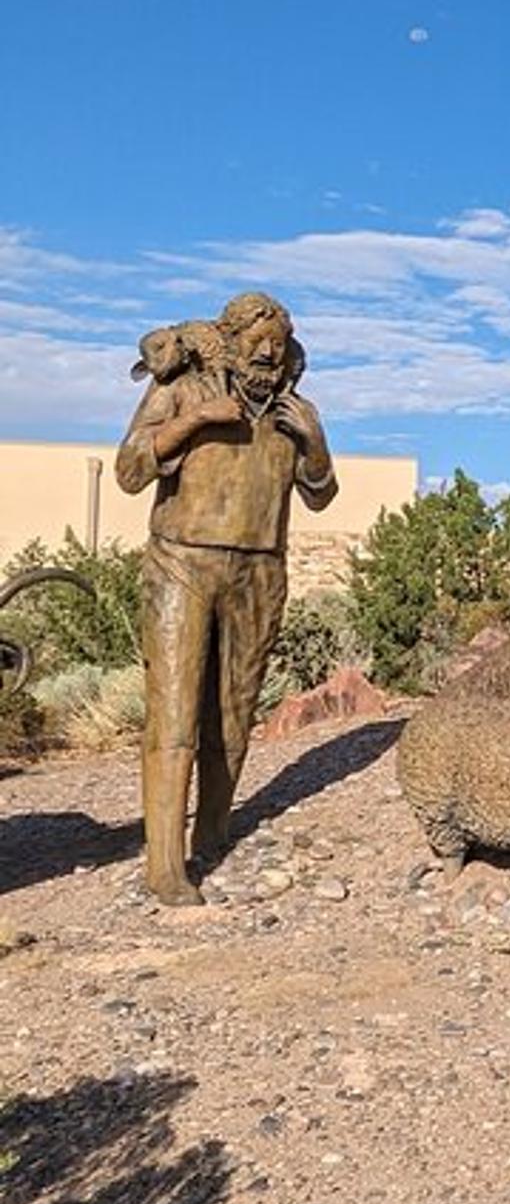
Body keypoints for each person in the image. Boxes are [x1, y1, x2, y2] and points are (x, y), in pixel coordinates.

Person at [115, 292, 336, 905]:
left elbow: (320, 494)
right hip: (182, 562)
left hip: (261, 569)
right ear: (230, 339)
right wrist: (194, 422)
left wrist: (314, 443)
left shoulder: (296, 409)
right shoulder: (184, 389)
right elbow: (130, 469)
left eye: (278, 342)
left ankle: (213, 828)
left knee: (234, 710)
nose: (267, 353)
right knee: (176, 710)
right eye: (256, 341)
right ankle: (165, 863)